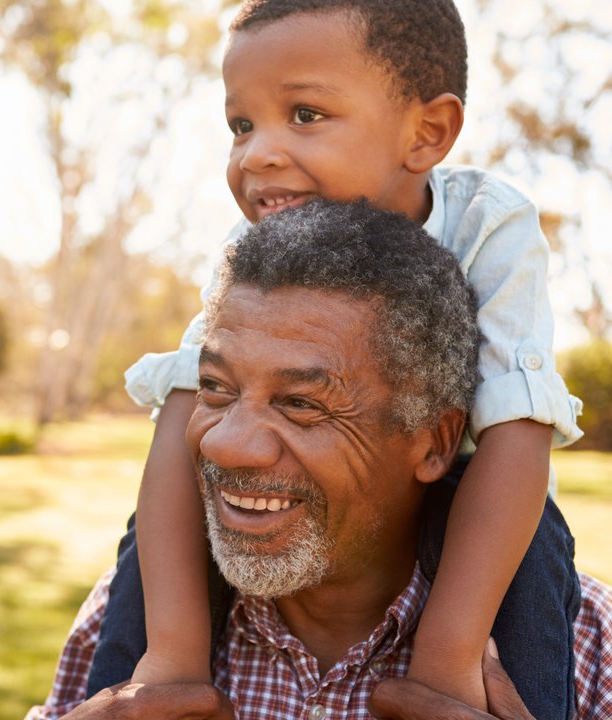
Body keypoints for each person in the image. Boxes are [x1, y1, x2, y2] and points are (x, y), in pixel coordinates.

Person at [89, 1, 585, 717]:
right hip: (310, 511)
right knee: (154, 532)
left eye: (305, 115)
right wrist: (170, 654)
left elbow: (517, 428)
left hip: (473, 496)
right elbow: (184, 411)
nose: (256, 154)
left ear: (427, 132)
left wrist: (446, 667)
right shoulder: (250, 250)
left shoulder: (488, 222)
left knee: (535, 544)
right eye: (241, 125)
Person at [28, 200, 612, 719]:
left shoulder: (600, 653)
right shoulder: (129, 621)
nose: (226, 443)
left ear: (434, 442)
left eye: (301, 404)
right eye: (216, 389)